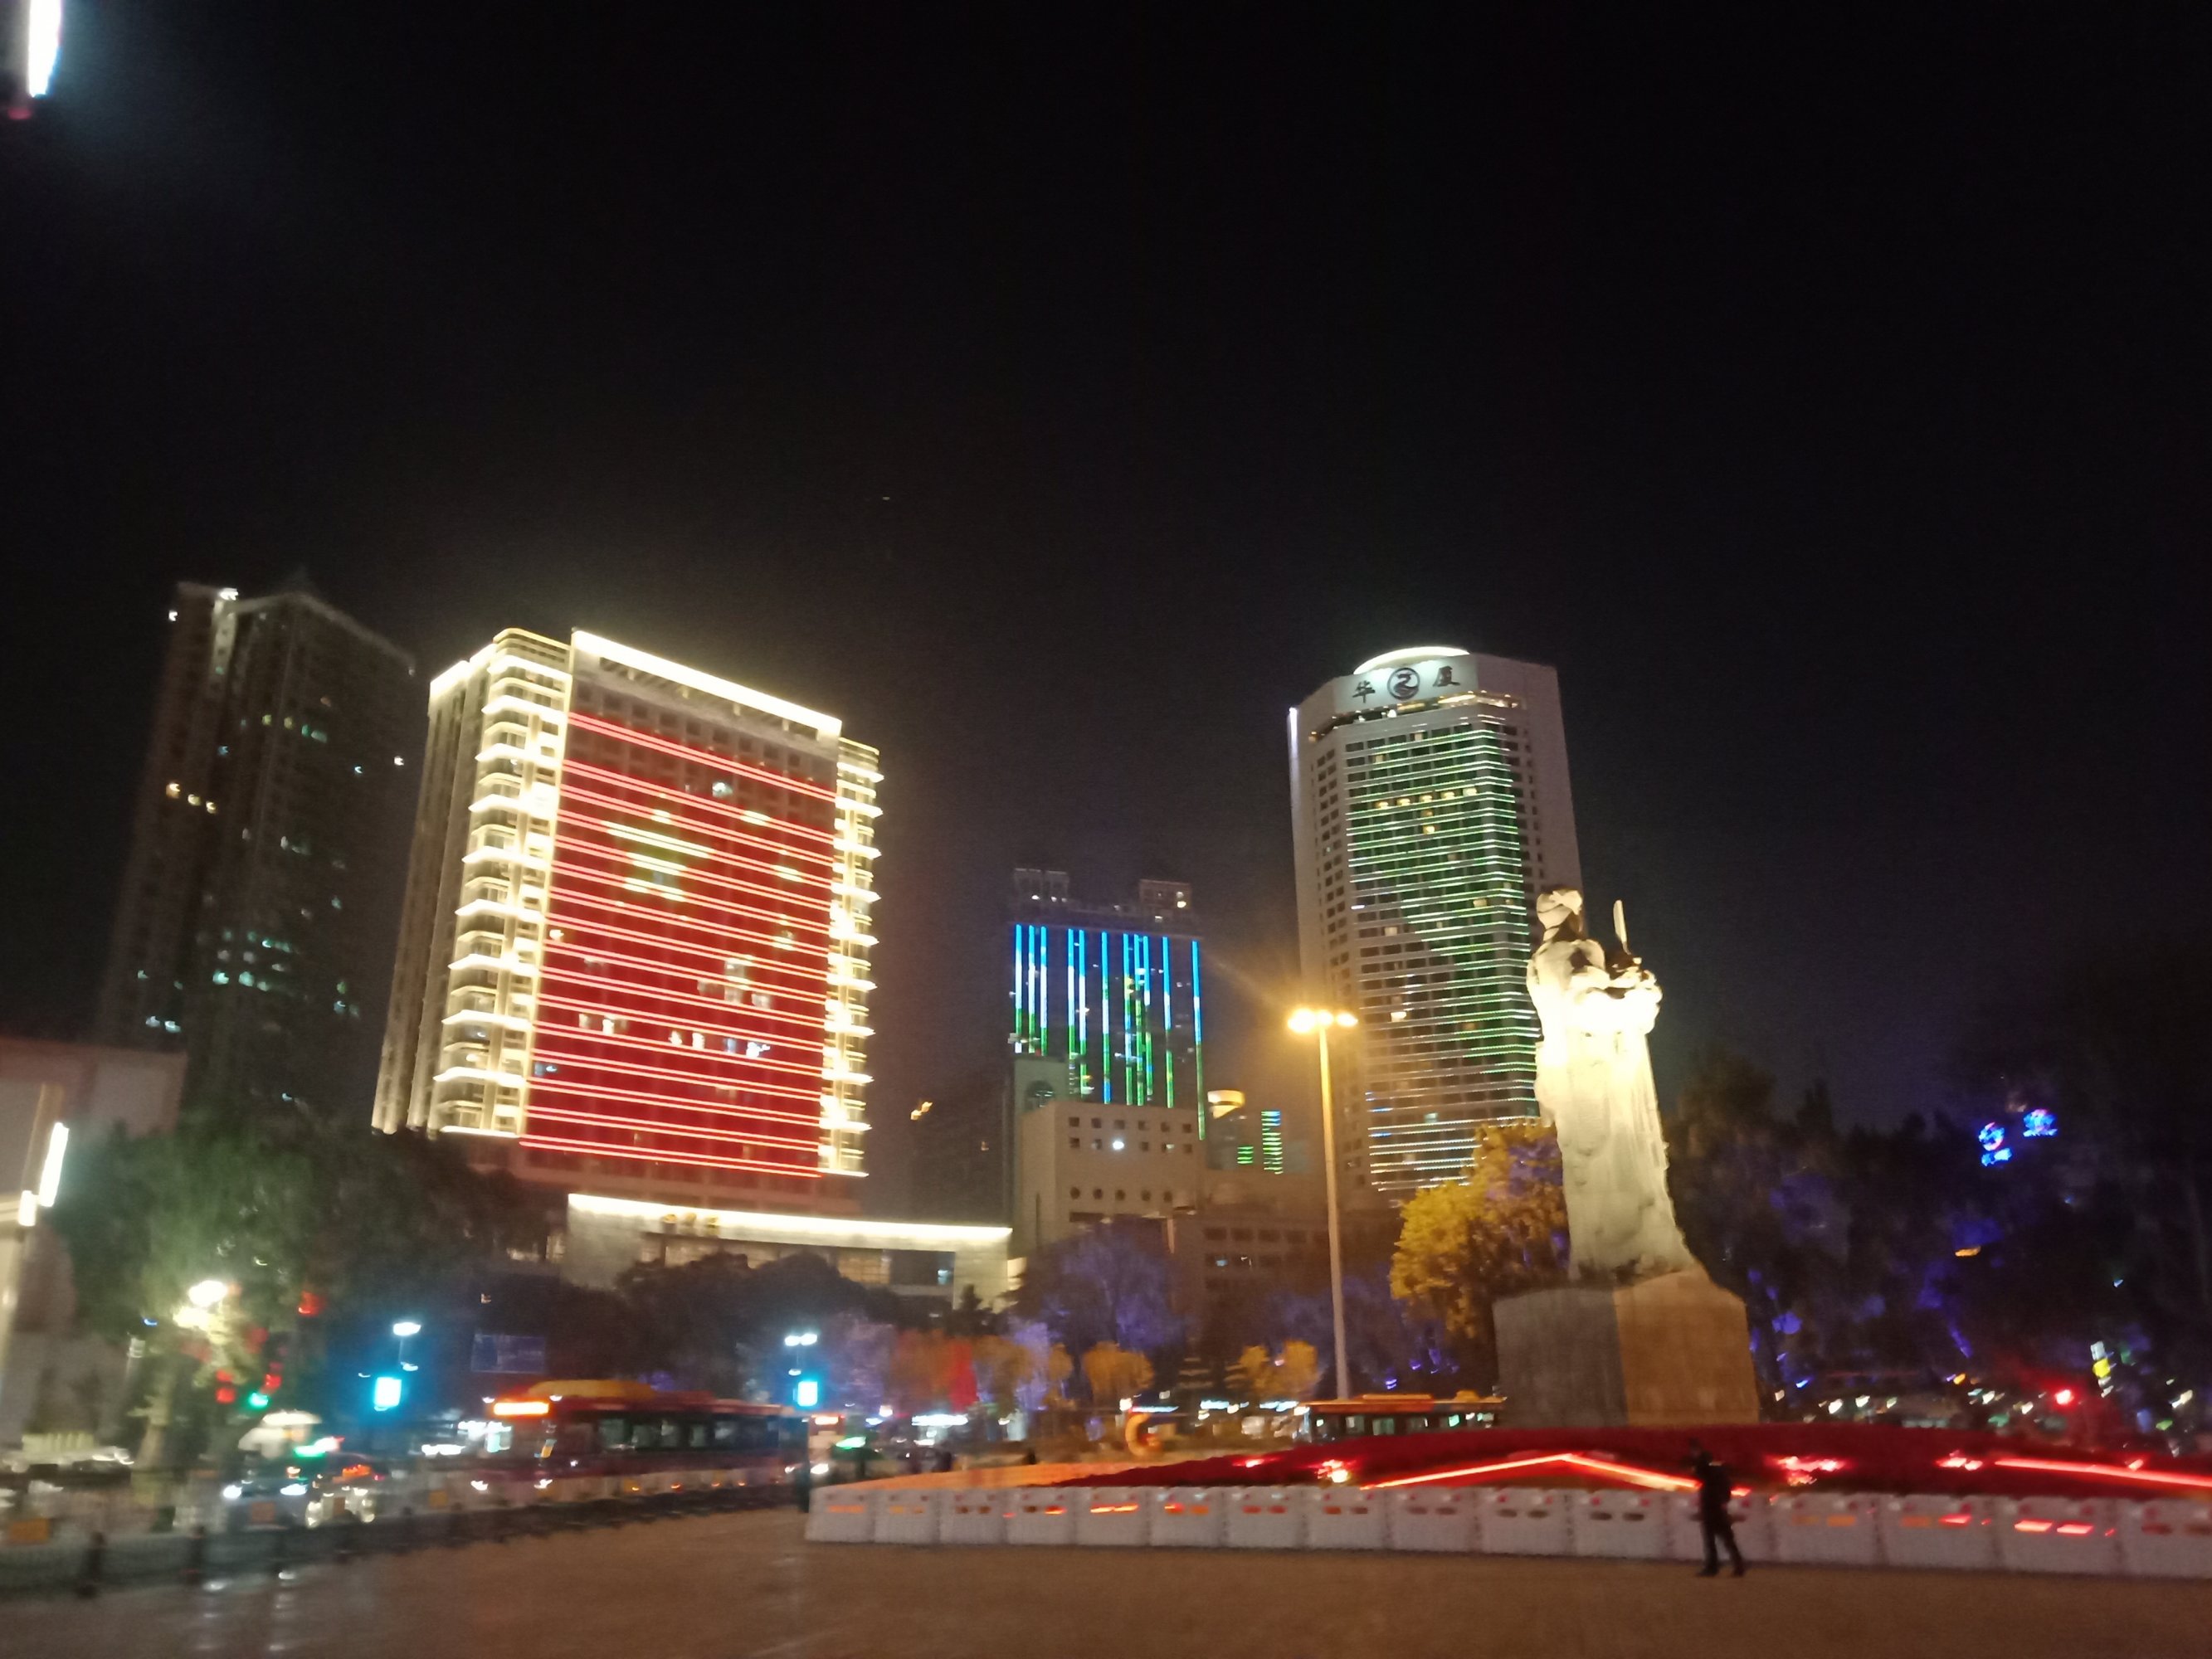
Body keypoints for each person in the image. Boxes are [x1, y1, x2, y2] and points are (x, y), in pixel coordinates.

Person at [1689, 1443, 1745, 1577]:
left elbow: (1698, 1473)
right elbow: (1728, 1487)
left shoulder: (1707, 1473)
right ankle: (1738, 1565)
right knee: (1727, 1539)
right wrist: (1724, 1501)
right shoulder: (1719, 1471)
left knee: (1710, 1540)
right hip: (1719, 1508)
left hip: (1711, 1508)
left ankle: (1712, 1567)